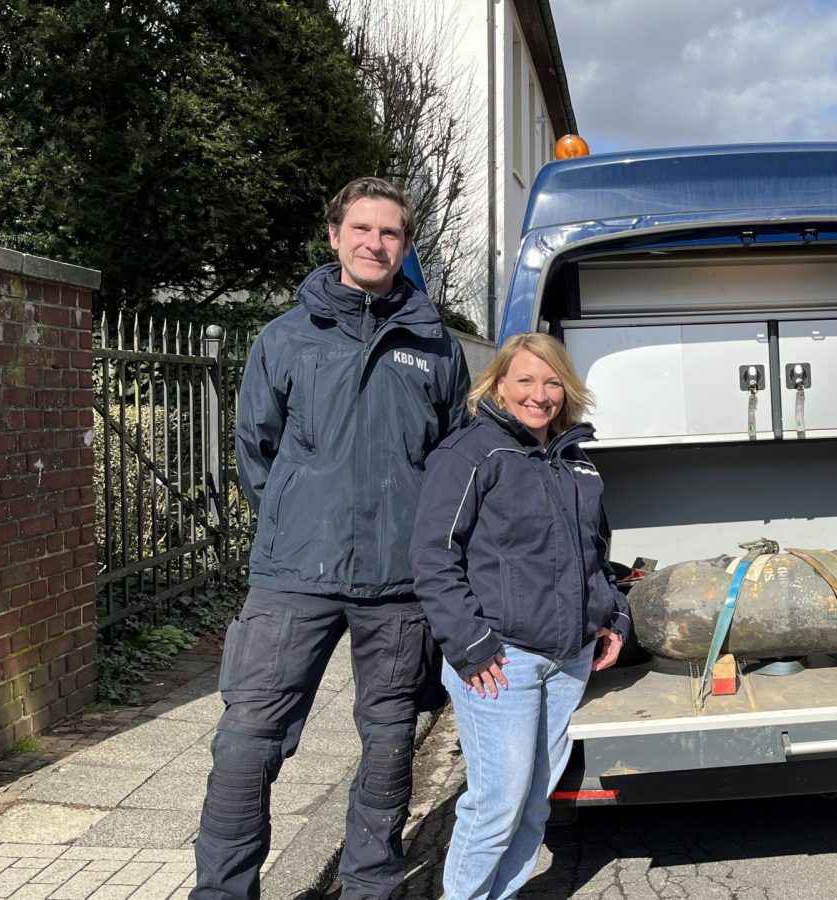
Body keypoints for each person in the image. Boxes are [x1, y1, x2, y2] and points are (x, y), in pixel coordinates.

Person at [193, 177, 470, 900]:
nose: (375, 244)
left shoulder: (435, 347)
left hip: (398, 583)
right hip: (294, 577)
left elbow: (451, 459)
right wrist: (299, 516)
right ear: (335, 237)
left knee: (387, 744)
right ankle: (224, 890)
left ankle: (371, 884)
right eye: (363, 230)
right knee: (246, 742)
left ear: (406, 247)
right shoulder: (285, 337)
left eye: (390, 234)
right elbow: (258, 452)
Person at [410, 332, 631, 900]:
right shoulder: (472, 453)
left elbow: (596, 557)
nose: (540, 394)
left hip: (568, 661)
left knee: (534, 803)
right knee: (496, 805)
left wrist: (614, 618)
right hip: (500, 661)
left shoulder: (578, 467)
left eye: (552, 381)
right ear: (499, 384)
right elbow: (434, 556)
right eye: (526, 380)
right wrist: (471, 646)